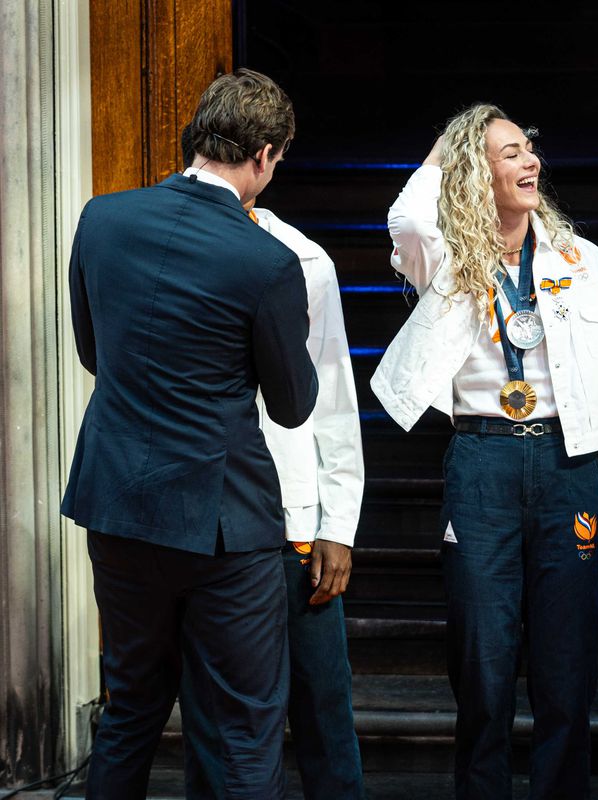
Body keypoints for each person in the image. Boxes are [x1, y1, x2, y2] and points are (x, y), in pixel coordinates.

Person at [370, 103, 598, 800]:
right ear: (472, 171)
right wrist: (450, 141)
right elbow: (405, 218)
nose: (530, 164)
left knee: (567, 665)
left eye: (530, 151)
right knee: (484, 664)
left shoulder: (583, 261)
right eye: (508, 153)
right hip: (484, 460)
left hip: (568, 464)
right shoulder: (450, 256)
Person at [61, 68, 316, 799]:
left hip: (118, 510)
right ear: (265, 154)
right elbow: (293, 405)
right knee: (242, 726)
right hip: (222, 530)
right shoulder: (268, 261)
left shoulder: (100, 219)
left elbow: (92, 353)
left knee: (130, 708)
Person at [173, 122, 367, 799]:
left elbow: (334, 397)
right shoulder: (166, 244)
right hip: (209, 525)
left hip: (294, 527)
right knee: (211, 715)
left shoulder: (302, 258)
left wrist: (338, 523)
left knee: (322, 710)